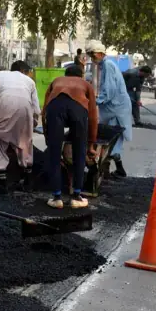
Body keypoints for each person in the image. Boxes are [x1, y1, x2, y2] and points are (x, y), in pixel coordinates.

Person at [42, 63, 99, 209]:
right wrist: (91, 144)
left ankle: (56, 198)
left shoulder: (56, 81)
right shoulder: (86, 84)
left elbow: (44, 112)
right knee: (79, 152)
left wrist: (48, 138)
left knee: (54, 154)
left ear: (65, 74)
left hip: (55, 107)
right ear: (81, 75)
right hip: (78, 109)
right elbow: (93, 116)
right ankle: (77, 197)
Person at [0, 60, 41, 193]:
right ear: (23, 71)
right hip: (25, 110)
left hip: (3, 107)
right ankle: (26, 181)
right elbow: (36, 107)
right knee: (25, 143)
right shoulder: (29, 81)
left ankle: (2, 184)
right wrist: (32, 123)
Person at [89, 41, 133, 177]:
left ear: (101, 53)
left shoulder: (107, 65)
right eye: (90, 55)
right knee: (112, 138)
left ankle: (104, 167)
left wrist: (96, 101)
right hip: (114, 106)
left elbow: (109, 90)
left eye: (93, 54)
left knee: (104, 134)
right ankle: (114, 169)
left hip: (116, 106)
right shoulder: (104, 65)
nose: (92, 58)